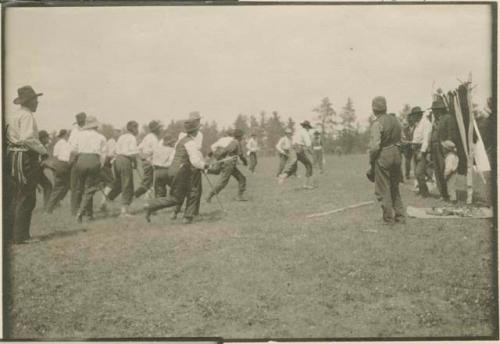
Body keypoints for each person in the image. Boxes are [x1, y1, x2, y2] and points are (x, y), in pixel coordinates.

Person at [5, 85, 47, 244]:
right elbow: (27, 138)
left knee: (15, 196)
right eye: (36, 100)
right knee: (27, 196)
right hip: (25, 157)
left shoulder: (14, 115)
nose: (37, 103)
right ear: (29, 101)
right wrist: (43, 151)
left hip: (13, 155)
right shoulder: (27, 116)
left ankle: (10, 234)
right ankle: (21, 236)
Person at [144, 119, 208, 224]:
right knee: (190, 193)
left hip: (173, 170)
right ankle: (187, 217)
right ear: (195, 132)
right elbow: (195, 161)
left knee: (181, 195)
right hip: (181, 171)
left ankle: (152, 206)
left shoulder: (180, 141)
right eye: (197, 129)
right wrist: (204, 165)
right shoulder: (190, 142)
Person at [368, 96, 405, 225]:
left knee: (383, 189)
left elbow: (374, 147)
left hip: (384, 155)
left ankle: (388, 219)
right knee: (395, 187)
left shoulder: (377, 123)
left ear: (374, 109)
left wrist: (372, 161)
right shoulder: (396, 120)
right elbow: (402, 138)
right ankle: (400, 217)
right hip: (397, 154)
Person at [71, 116, 107, 222]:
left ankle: (86, 213)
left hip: (81, 160)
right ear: (95, 125)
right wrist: (100, 165)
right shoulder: (101, 137)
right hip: (93, 160)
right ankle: (81, 212)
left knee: (80, 188)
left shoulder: (79, 135)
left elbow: (73, 150)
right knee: (90, 189)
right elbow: (103, 154)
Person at [173, 111, 204, 220]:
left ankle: (175, 212)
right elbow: (197, 149)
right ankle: (192, 213)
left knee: (183, 189)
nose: (199, 121)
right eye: (198, 120)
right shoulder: (198, 134)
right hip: (193, 164)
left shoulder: (182, 134)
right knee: (195, 189)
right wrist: (202, 164)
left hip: (183, 164)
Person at [105, 121, 139, 217]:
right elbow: (132, 153)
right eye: (137, 128)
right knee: (127, 184)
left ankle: (107, 200)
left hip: (117, 160)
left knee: (119, 183)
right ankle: (124, 211)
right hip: (125, 160)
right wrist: (135, 163)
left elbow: (116, 150)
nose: (138, 131)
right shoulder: (132, 138)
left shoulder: (121, 137)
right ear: (133, 128)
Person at [206, 128, 248, 203]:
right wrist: (245, 162)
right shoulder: (236, 143)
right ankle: (209, 196)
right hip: (229, 165)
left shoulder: (233, 142)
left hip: (229, 164)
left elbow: (224, 151)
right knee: (223, 182)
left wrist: (220, 160)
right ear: (239, 136)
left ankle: (239, 196)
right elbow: (240, 155)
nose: (242, 138)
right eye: (242, 136)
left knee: (242, 178)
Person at [278, 120, 315, 189]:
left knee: (293, 167)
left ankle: (283, 176)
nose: (308, 129)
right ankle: (306, 184)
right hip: (299, 149)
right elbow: (308, 144)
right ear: (306, 127)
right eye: (308, 128)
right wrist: (312, 153)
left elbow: (294, 142)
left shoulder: (298, 132)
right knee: (308, 164)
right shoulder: (305, 133)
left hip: (292, 149)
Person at [45, 129, 72, 213]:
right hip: (65, 165)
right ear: (65, 135)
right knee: (69, 185)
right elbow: (69, 157)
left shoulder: (57, 144)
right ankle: (51, 207)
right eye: (67, 135)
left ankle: (52, 206)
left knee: (62, 186)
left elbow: (55, 156)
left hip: (57, 165)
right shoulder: (67, 144)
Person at [134, 120, 162, 198]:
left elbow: (138, 149)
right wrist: (148, 158)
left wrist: (143, 157)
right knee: (147, 183)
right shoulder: (153, 138)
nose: (160, 130)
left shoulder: (147, 137)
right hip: (150, 162)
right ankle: (134, 196)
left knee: (149, 183)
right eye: (158, 128)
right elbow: (156, 152)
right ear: (155, 129)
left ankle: (148, 199)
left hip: (145, 162)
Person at [411, 106, 433, 197]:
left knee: (419, 172)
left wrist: (422, 152)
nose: (413, 117)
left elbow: (426, 139)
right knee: (417, 172)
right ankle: (421, 190)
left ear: (419, 115)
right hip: (416, 149)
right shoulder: (417, 124)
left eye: (414, 115)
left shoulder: (426, 123)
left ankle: (425, 193)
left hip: (422, 150)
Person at [429, 99, 449, 200]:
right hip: (434, 147)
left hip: (442, 147)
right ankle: (442, 193)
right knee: (437, 171)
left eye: (435, 110)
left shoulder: (447, 119)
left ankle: (447, 193)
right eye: (433, 110)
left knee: (443, 170)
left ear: (440, 110)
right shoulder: (435, 121)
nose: (434, 112)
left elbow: (449, 133)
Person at [68, 112, 87, 215]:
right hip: (77, 158)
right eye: (80, 121)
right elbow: (72, 148)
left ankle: (82, 209)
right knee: (76, 186)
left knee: (83, 186)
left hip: (83, 158)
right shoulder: (75, 131)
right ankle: (75, 210)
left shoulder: (85, 131)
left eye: (82, 121)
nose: (82, 122)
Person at [98, 128, 120, 212]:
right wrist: (117, 156)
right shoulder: (112, 141)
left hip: (106, 163)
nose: (117, 134)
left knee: (107, 183)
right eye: (116, 132)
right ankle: (103, 202)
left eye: (118, 132)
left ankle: (104, 202)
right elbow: (109, 154)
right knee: (111, 183)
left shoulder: (114, 141)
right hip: (105, 163)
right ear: (113, 133)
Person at [152, 134, 176, 198]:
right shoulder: (172, 150)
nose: (174, 143)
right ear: (170, 143)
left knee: (160, 191)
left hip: (157, 171)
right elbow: (172, 162)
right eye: (173, 142)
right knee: (175, 188)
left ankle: (158, 205)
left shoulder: (157, 149)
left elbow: (153, 161)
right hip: (167, 171)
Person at [37, 130, 54, 211]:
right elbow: (40, 163)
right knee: (48, 186)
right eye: (47, 137)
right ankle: (47, 206)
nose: (48, 139)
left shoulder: (42, 146)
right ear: (42, 138)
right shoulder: (39, 147)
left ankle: (47, 205)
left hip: (38, 171)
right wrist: (52, 168)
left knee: (48, 186)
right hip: (35, 171)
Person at [401, 112, 416, 181]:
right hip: (407, 147)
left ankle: (416, 174)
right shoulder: (405, 129)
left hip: (415, 146)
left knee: (416, 160)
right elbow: (403, 138)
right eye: (409, 119)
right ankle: (407, 175)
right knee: (407, 161)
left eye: (411, 119)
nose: (410, 121)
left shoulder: (417, 128)